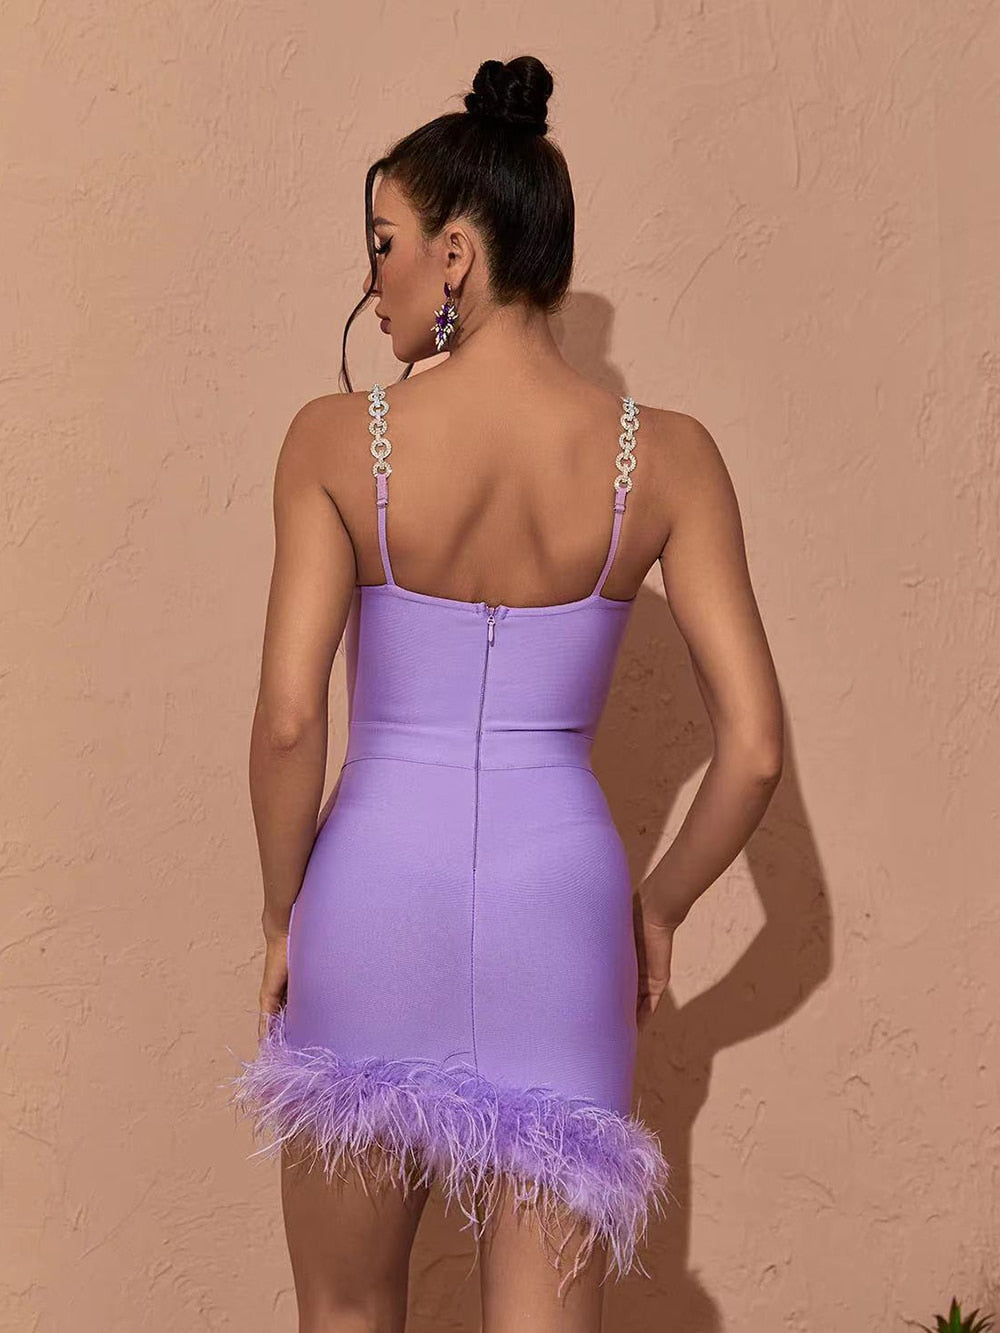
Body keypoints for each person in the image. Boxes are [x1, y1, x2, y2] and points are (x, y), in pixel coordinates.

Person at [226, 54, 783, 1333]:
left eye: (383, 245)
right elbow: (752, 748)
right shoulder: (671, 459)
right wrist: (655, 909)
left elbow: (291, 721)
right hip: (562, 910)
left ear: (457, 254)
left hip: (369, 892)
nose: (371, 284)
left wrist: (281, 913)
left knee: (345, 1312)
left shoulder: (334, 442)